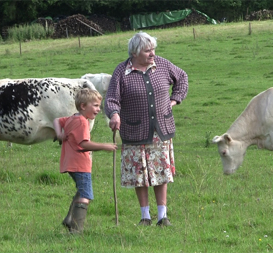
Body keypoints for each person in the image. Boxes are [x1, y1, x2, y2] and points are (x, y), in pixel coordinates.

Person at [104, 31, 188, 226]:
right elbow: (111, 99)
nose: (152, 54)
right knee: (139, 174)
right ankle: (145, 216)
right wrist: (114, 114)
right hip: (134, 131)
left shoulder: (163, 65)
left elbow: (182, 77)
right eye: (147, 50)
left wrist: (174, 100)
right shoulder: (121, 72)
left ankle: (162, 216)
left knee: (160, 172)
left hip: (160, 129)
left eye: (153, 49)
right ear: (134, 53)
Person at [53, 88, 117, 233]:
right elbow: (84, 144)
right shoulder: (82, 122)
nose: (98, 109)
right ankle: (76, 229)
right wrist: (104, 146)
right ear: (83, 106)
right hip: (80, 164)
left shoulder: (72, 118)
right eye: (95, 105)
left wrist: (59, 134)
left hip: (70, 163)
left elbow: (57, 120)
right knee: (85, 194)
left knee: (81, 190)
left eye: (99, 106)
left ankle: (69, 219)